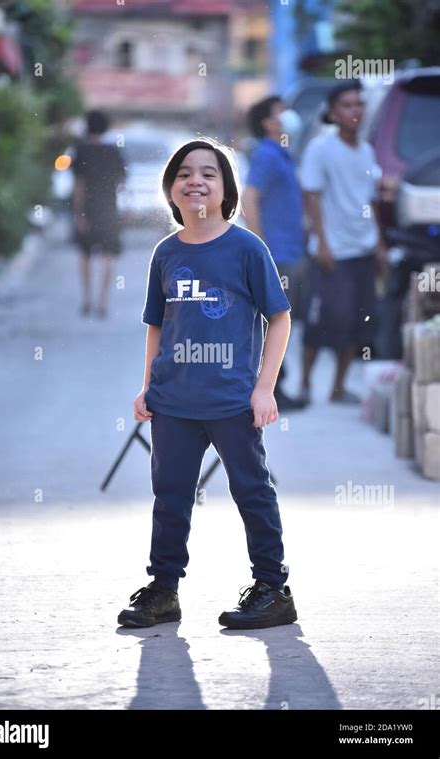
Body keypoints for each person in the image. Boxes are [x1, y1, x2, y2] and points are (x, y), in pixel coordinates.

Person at [117, 138, 298, 630]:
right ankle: (163, 591)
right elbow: (158, 324)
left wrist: (264, 388)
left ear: (226, 190)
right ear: (171, 190)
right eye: (184, 173)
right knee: (170, 494)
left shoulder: (246, 248)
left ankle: (272, 588)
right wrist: (147, 385)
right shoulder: (166, 253)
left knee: (251, 490)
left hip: (231, 401)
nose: (195, 180)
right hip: (173, 401)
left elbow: (279, 318)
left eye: (209, 173)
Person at [299, 81, 386, 403]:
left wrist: (378, 244)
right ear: (333, 112)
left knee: (359, 322)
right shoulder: (320, 148)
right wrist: (322, 244)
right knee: (321, 321)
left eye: (359, 105)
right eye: (347, 105)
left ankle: (338, 387)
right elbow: (312, 195)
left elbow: (371, 200)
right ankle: (306, 384)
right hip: (333, 253)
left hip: (362, 250)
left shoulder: (366, 151)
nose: (355, 111)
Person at [243, 96, 307, 411]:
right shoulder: (267, 155)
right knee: (274, 321)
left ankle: (276, 384)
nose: (289, 116)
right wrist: (260, 247)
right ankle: (273, 388)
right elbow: (250, 198)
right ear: (268, 123)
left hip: (289, 250)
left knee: (279, 320)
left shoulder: (282, 154)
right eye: (282, 112)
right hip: (276, 253)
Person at [72, 110, 126, 318]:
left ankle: (87, 299)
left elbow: (79, 185)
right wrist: (126, 208)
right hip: (109, 209)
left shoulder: (81, 150)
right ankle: (102, 302)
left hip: (88, 208)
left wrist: (78, 214)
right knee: (109, 255)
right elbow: (122, 184)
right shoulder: (113, 151)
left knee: (85, 254)